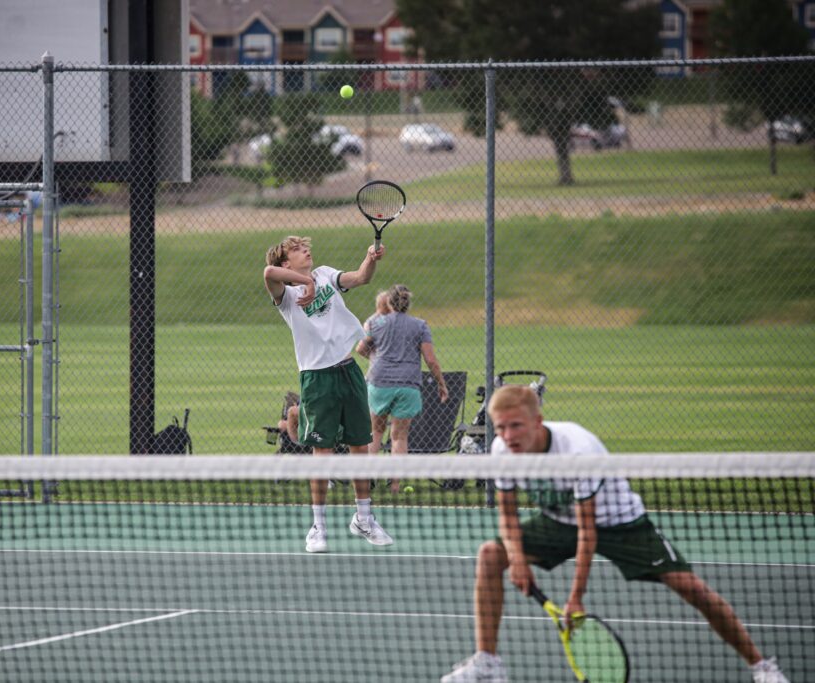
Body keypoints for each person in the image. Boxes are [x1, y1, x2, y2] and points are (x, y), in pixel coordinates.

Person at [441, 385, 791, 683]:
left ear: (538, 422)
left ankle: (761, 667)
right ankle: (487, 663)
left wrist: (576, 598)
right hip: (558, 521)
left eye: (516, 426)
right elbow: (507, 512)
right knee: (491, 554)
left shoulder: (577, 450)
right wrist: (516, 560)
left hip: (620, 523)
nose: (507, 436)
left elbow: (588, 532)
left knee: (691, 587)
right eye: (500, 427)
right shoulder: (502, 450)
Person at [263, 235, 394, 553]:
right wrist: (304, 282)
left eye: (305, 247)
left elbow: (360, 278)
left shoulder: (325, 274)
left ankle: (364, 518)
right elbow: (268, 274)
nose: (306, 250)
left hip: (348, 372)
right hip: (317, 380)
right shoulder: (286, 294)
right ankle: (318, 527)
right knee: (322, 453)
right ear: (286, 263)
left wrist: (370, 259)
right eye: (296, 250)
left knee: (359, 448)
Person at [357, 284, 448, 493]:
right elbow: (431, 360)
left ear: (388, 302)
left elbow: (361, 348)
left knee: (375, 432)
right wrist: (441, 384)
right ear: (408, 304)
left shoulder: (375, 323)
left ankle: (367, 479)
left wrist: (377, 359)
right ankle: (395, 485)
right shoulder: (420, 325)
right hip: (408, 385)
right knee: (399, 436)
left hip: (379, 383)